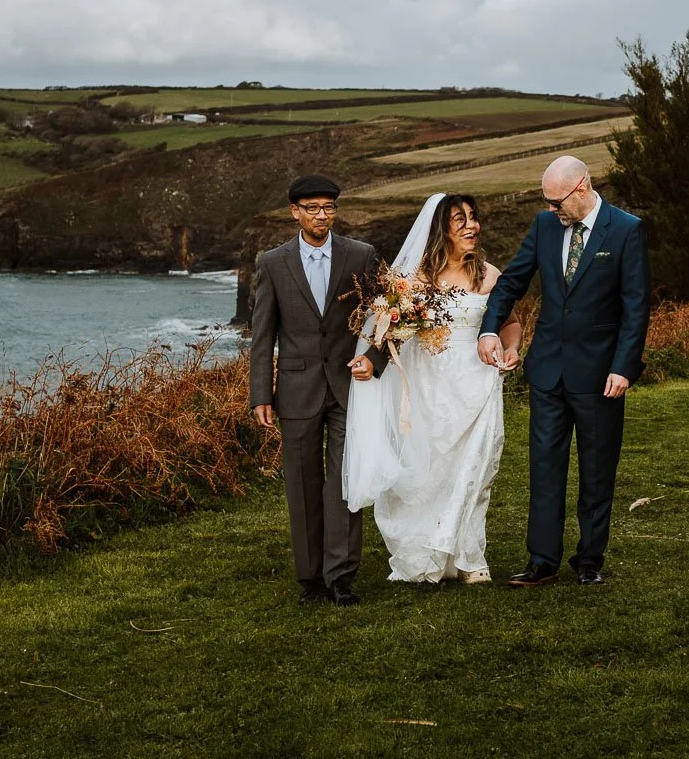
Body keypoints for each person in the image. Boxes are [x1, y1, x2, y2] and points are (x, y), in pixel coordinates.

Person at [477, 155, 650, 587]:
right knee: (545, 467)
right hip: (548, 371)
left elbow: (636, 307)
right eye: (548, 202)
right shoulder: (544, 225)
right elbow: (511, 282)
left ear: (582, 187)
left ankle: (589, 560)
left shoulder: (627, 230)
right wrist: (487, 329)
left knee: (596, 468)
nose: (552, 210)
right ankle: (542, 561)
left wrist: (624, 367)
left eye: (558, 202)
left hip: (600, 375)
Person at [344, 193, 522, 583]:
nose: (472, 226)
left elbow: (510, 323)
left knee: (475, 470)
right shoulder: (413, 280)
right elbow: (390, 333)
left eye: (474, 218)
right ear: (441, 229)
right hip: (428, 386)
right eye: (460, 220)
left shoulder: (489, 275)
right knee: (428, 471)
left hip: (478, 380)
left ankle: (469, 558)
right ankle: (423, 554)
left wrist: (510, 349)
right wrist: (369, 361)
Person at [249, 174, 387, 606]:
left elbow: (389, 315)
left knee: (345, 481)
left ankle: (341, 576)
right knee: (303, 484)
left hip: (350, 387)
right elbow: (262, 334)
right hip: (295, 388)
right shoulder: (272, 263)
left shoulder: (361, 255)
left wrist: (375, 359)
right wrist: (261, 395)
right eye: (312, 208)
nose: (321, 215)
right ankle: (310, 578)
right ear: (295, 212)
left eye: (328, 207)